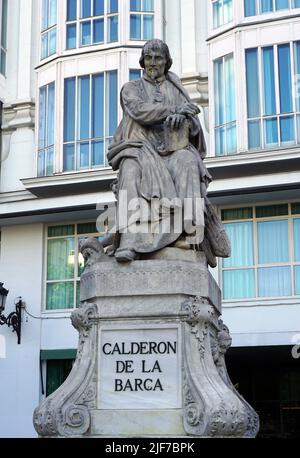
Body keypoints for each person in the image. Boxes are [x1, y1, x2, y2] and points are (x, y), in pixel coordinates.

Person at [107, 39, 230, 265]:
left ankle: (186, 235)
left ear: (167, 62)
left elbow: (194, 128)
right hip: (139, 148)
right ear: (142, 62)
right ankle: (130, 240)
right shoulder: (131, 88)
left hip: (171, 152)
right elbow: (139, 111)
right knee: (130, 168)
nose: (153, 63)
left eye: (159, 58)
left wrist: (184, 119)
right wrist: (173, 110)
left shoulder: (177, 90)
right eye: (149, 58)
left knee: (187, 161)